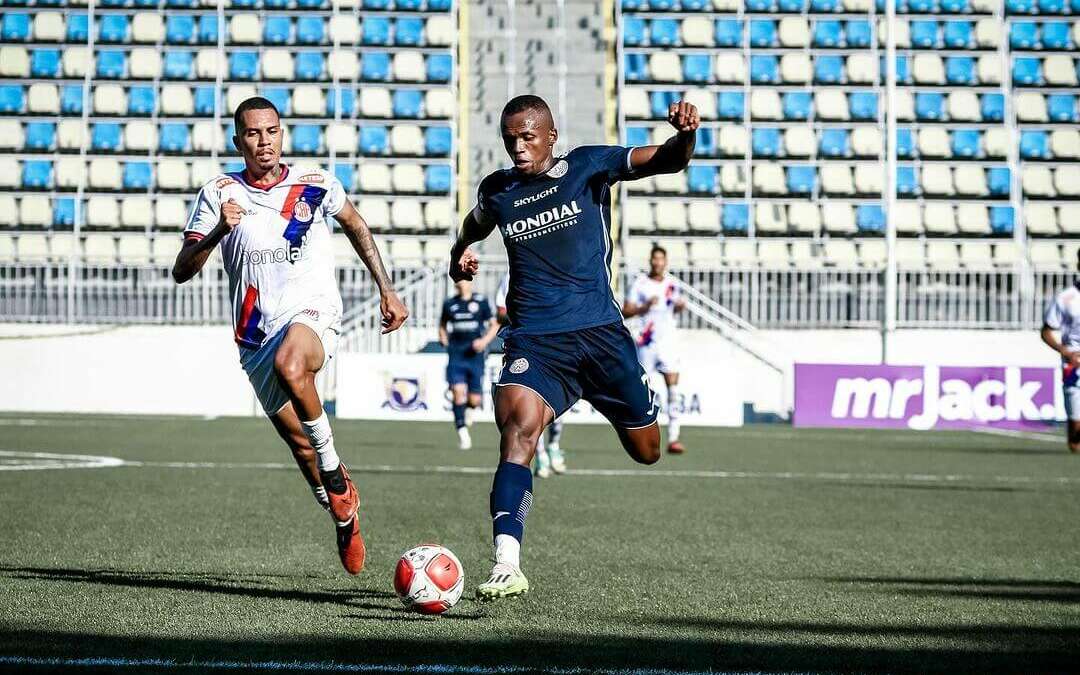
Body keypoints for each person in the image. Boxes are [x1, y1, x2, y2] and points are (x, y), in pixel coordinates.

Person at [449, 94, 699, 600]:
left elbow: (667, 160)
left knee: (647, 452)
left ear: (550, 135)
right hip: (536, 342)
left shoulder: (588, 165)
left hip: (602, 337)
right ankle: (506, 561)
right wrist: (460, 253)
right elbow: (475, 223)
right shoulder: (499, 190)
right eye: (510, 139)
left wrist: (686, 135)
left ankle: (628, 401)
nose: (518, 148)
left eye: (528, 137)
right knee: (518, 431)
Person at [172, 97, 409, 575]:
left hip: (312, 313)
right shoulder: (218, 192)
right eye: (254, 134)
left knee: (293, 364)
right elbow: (182, 269)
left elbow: (357, 226)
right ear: (238, 141)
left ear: (283, 134)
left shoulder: (315, 182)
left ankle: (337, 474)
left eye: (272, 131)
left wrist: (387, 290)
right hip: (254, 335)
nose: (265, 141)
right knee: (300, 447)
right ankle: (345, 517)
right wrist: (220, 230)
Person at [496, 274, 566, 477]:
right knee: (531, 409)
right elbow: (501, 312)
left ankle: (554, 446)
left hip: (556, 347)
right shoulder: (510, 276)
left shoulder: (553, 271)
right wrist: (525, 316)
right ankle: (541, 456)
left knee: (557, 409)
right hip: (524, 348)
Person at [623, 245, 688, 454]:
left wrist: (679, 306)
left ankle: (674, 437)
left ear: (665, 262)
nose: (658, 263)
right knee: (645, 391)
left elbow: (674, 308)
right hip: (646, 342)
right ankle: (644, 435)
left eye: (661, 259)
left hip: (668, 341)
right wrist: (645, 307)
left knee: (673, 388)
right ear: (650, 261)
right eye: (655, 259)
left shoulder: (672, 283)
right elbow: (626, 310)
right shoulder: (641, 284)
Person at [439, 279, 499, 449]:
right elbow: (442, 325)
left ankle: (468, 412)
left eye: (464, 280)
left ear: (470, 283)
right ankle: (462, 433)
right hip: (456, 355)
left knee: (474, 400)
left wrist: (484, 341)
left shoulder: (481, 302)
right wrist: (442, 336)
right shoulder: (450, 303)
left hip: (475, 356)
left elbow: (494, 325)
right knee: (457, 392)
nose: (460, 283)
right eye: (458, 280)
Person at [1040, 249, 1080, 453]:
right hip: (1073, 364)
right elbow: (1046, 331)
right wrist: (1065, 352)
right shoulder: (1066, 298)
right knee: (1075, 435)